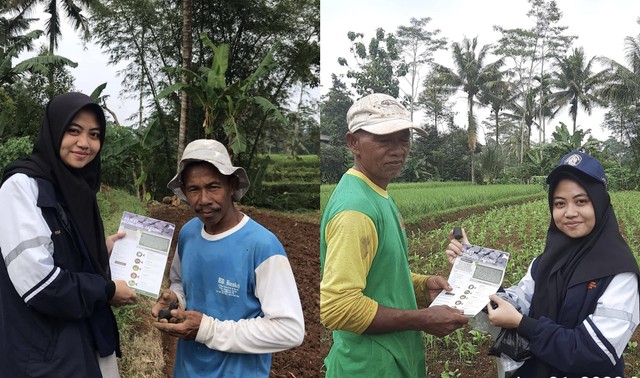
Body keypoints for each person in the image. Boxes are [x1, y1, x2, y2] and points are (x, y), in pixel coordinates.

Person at [447, 151, 640, 378]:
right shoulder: (545, 262)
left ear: (599, 202)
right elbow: (517, 302)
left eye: (581, 201)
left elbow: (594, 352)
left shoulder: (619, 273)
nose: (569, 213)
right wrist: (473, 268)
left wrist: (523, 324)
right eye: (560, 203)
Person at [320, 93, 468, 377]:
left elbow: (378, 275)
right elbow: (338, 307)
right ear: (353, 143)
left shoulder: (377, 192)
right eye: (384, 140)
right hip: (369, 367)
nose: (398, 150)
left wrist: (422, 288)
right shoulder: (356, 210)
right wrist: (422, 319)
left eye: (403, 139)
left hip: (390, 360)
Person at [0, 92, 137, 377]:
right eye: (73, 131)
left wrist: (97, 250)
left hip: (79, 340)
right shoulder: (21, 187)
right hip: (43, 353)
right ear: (54, 130)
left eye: (94, 134)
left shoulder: (73, 187)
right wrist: (107, 290)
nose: (85, 143)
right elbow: (41, 285)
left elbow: (58, 244)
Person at [151, 139, 304, 378]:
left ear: (232, 185)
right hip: (187, 370)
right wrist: (174, 300)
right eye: (193, 189)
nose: (203, 200)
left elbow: (289, 330)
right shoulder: (189, 233)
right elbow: (179, 282)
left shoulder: (262, 246)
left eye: (213, 187)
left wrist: (207, 330)